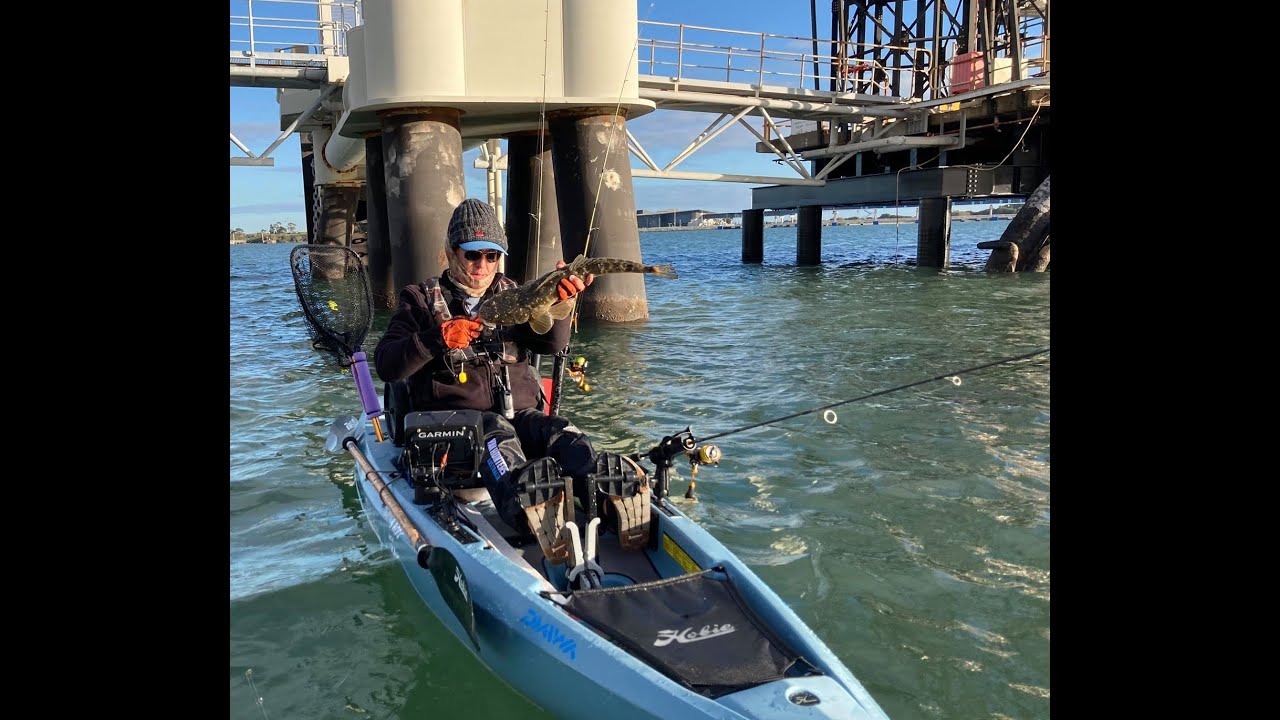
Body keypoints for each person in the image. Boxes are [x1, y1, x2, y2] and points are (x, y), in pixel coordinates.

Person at [373, 198, 646, 564]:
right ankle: (529, 504)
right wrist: (436, 338)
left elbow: (553, 343)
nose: (482, 266)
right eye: (472, 255)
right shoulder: (419, 300)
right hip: (464, 429)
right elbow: (388, 365)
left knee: (563, 435)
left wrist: (560, 304)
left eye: (492, 255)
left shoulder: (515, 293)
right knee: (495, 435)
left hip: (521, 413)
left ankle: (613, 497)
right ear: (452, 252)